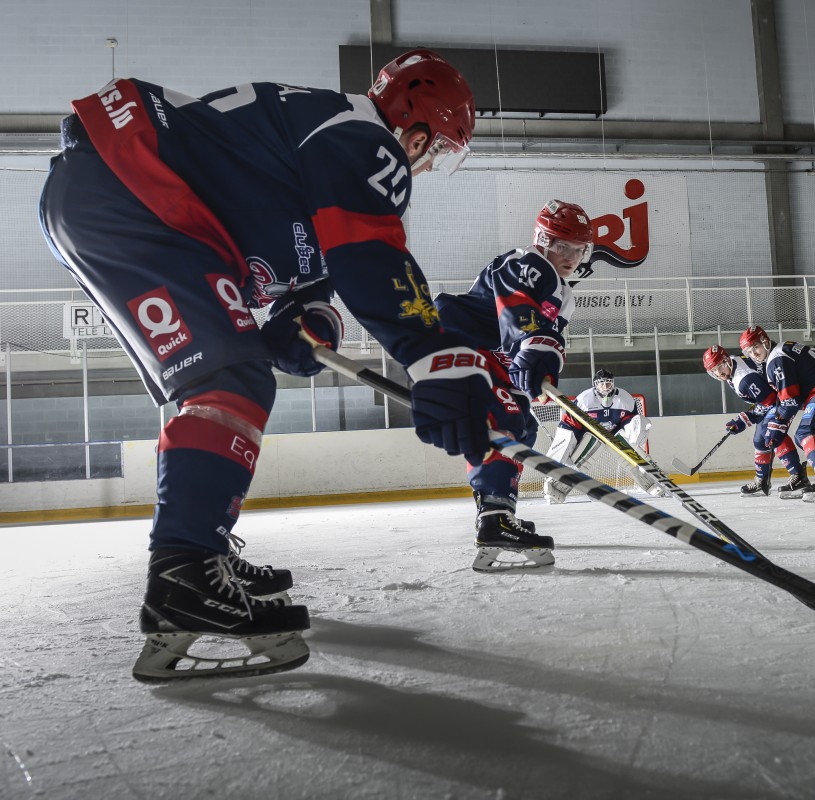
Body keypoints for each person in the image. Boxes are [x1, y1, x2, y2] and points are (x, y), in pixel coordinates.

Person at [39, 50, 533, 681]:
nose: (428, 165)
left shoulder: (320, 135)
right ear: (415, 130)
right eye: (435, 150)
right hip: (133, 195)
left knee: (224, 374)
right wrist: (431, 352)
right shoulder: (364, 138)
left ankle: (200, 552)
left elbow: (307, 270)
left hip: (122, 193)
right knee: (228, 376)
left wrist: (310, 321)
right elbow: (367, 249)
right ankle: (185, 576)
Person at [433, 200, 596, 570]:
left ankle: (494, 513)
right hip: (462, 347)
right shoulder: (528, 263)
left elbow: (545, 340)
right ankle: (494, 520)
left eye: (578, 248)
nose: (569, 256)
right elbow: (517, 310)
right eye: (560, 245)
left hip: (491, 362)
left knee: (522, 427)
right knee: (505, 423)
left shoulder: (562, 293)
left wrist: (542, 369)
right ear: (541, 239)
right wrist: (535, 342)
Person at [739, 326, 815, 501]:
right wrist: (779, 422)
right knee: (812, 437)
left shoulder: (775, 359)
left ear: (765, 341)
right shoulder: (782, 349)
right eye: (748, 351)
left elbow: (790, 400)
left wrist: (777, 424)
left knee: (805, 433)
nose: (753, 354)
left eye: (755, 347)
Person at [701, 344, 807, 497]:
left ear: (725, 360)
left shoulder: (744, 378)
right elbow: (763, 398)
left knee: (771, 435)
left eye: (719, 366)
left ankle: (797, 476)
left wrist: (745, 419)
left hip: (782, 398)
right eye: (713, 371)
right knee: (761, 439)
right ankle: (763, 480)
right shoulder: (733, 363)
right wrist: (744, 418)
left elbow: (769, 400)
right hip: (778, 396)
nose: (719, 373)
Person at [543, 369, 658, 502]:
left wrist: (635, 430)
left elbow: (631, 419)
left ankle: (653, 483)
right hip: (592, 435)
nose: (604, 387)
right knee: (579, 463)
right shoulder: (585, 399)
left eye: (608, 384)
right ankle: (557, 489)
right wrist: (566, 440)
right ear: (595, 384)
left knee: (630, 455)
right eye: (601, 384)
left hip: (615, 435)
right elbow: (571, 422)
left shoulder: (624, 398)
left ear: (613, 383)